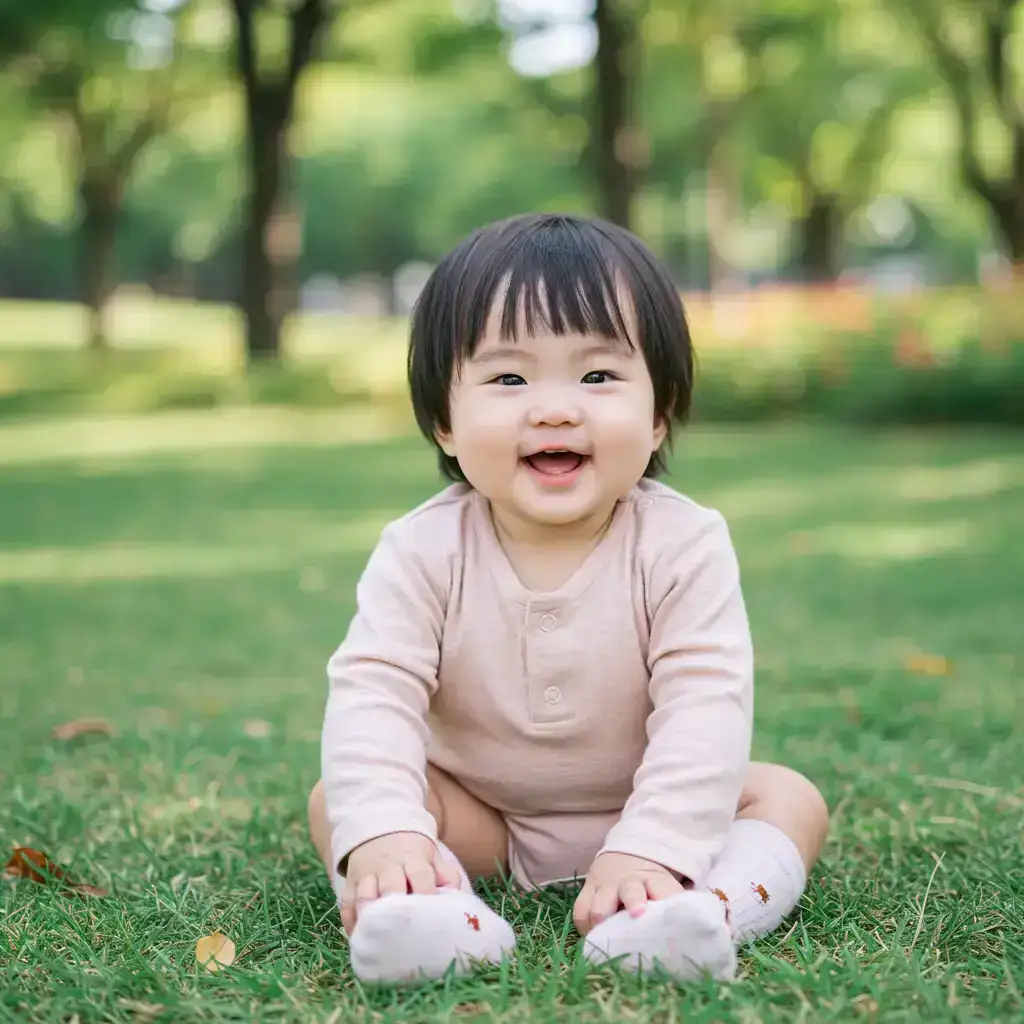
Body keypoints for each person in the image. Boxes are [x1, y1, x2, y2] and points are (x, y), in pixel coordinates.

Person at [307, 212, 829, 985]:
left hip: (649, 800)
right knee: (342, 804)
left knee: (789, 797)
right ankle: (425, 913)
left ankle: (700, 911)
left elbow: (705, 701)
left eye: (598, 376)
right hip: (485, 818)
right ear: (445, 422)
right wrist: (385, 833)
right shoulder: (420, 549)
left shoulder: (684, 542)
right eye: (509, 378)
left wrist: (655, 843)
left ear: (657, 417)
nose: (554, 408)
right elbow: (374, 694)